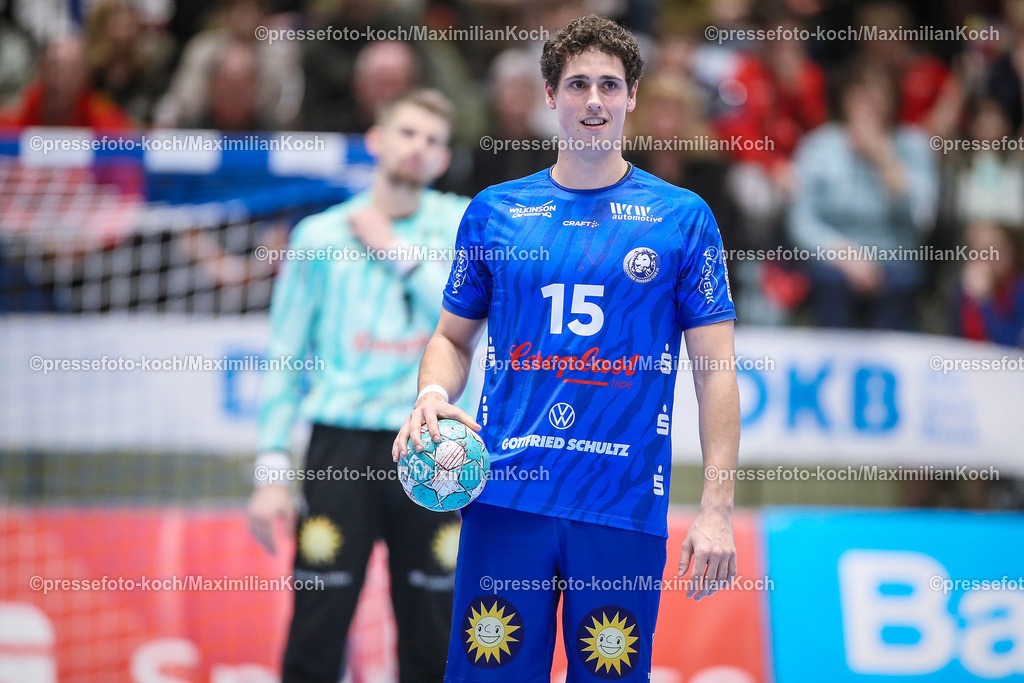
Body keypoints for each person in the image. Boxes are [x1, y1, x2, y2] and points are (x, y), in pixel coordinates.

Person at [392, 15, 740, 681]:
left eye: (610, 85)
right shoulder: (495, 211)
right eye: (577, 84)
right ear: (550, 95)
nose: (595, 101)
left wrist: (717, 508)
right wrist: (432, 394)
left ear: (632, 96)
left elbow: (716, 372)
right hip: (505, 500)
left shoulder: (683, 217)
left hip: (623, 504)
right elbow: (450, 338)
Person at [247, 89, 472, 682]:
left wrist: (394, 251)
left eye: (433, 140)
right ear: (375, 141)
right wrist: (270, 470)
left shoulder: (462, 225)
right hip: (339, 446)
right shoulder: (319, 237)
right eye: (407, 133)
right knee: (317, 623)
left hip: (434, 445)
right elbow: (285, 354)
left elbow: (470, 320)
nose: (418, 148)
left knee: (435, 624)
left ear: (444, 160)